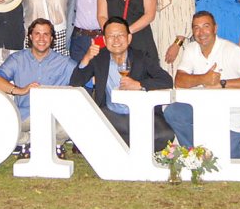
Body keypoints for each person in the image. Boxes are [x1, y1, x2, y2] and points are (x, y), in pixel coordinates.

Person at [163, 12, 240, 159]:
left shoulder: (231, 50)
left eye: (206, 26)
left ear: (215, 28)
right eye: (196, 28)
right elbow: (179, 81)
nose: (201, 32)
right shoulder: (191, 49)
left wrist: (222, 83)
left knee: (220, 156)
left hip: (232, 114)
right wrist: (204, 79)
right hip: (202, 109)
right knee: (174, 111)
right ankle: (194, 154)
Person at [71, 16, 174, 150]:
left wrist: (139, 85)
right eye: (111, 36)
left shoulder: (141, 57)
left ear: (129, 38)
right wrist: (86, 58)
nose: (116, 40)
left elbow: (166, 80)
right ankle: (133, 144)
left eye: (120, 35)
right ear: (104, 40)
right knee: (88, 129)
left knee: (166, 135)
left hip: (141, 115)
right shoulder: (99, 58)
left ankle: (119, 144)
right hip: (112, 115)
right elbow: (75, 82)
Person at [0, 19, 76, 155]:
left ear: (52, 38)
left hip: (53, 115)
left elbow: (85, 79)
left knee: (69, 125)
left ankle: (56, 145)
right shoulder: (18, 59)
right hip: (25, 115)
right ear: (30, 36)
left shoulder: (64, 62)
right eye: (37, 34)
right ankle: (27, 141)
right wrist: (20, 90)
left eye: (46, 34)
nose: (41, 38)